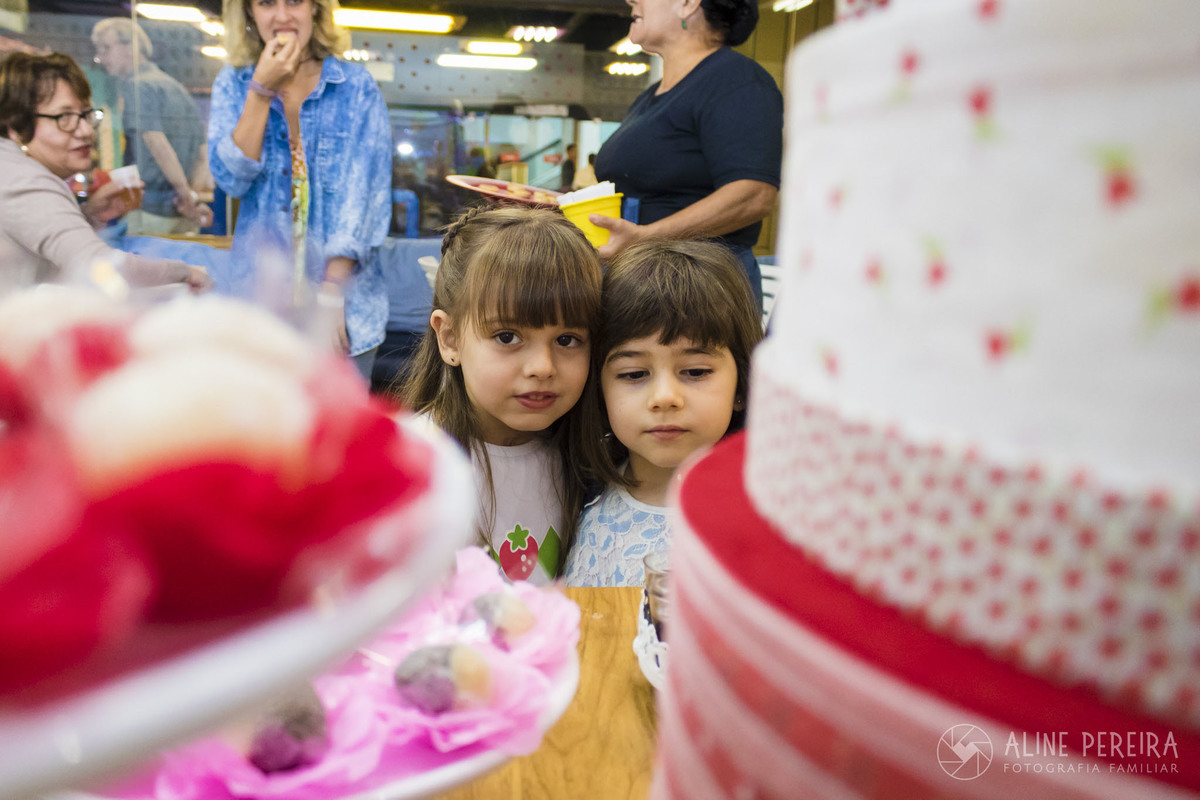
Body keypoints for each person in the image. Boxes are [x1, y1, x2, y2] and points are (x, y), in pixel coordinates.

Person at [401, 206, 616, 585]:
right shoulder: (410, 465)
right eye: (507, 337)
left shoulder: (591, 460)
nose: (542, 367)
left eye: (567, 340)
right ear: (449, 339)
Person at [208, 0, 391, 379]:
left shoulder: (356, 87)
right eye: (266, 3)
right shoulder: (232, 83)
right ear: (249, 13)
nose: (282, 16)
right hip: (259, 307)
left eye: (294, 1)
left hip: (343, 306)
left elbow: (364, 199)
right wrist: (260, 90)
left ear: (316, 8)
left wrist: (331, 292)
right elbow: (232, 179)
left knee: (337, 416)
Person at [563, 239, 762, 587]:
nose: (665, 398)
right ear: (598, 388)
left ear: (742, 385)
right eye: (634, 374)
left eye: (696, 371)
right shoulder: (574, 490)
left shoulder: (766, 518)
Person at [591, 0, 782, 309]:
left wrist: (647, 237)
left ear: (688, 4)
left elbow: (753, 195)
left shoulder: (736, 80)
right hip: (645, 277)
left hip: (700, 288)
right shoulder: (650, 97)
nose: (631, 1)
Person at [0, 52, 211, 291]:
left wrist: (91, 215)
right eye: (64, 117)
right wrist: (184, 273)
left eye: (86, 115)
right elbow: (98, 267)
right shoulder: (26, 180)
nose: (86, 131)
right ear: (17, 126)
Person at [91, 18, 214, 235]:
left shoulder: (137, 87)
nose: (101, 57)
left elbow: (157, 143)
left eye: (107, 48)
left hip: (149, 215)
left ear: (131, 46)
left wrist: (184, 193)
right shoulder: (176, 87)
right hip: (183, 214)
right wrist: (190, 199)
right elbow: (203, 154)